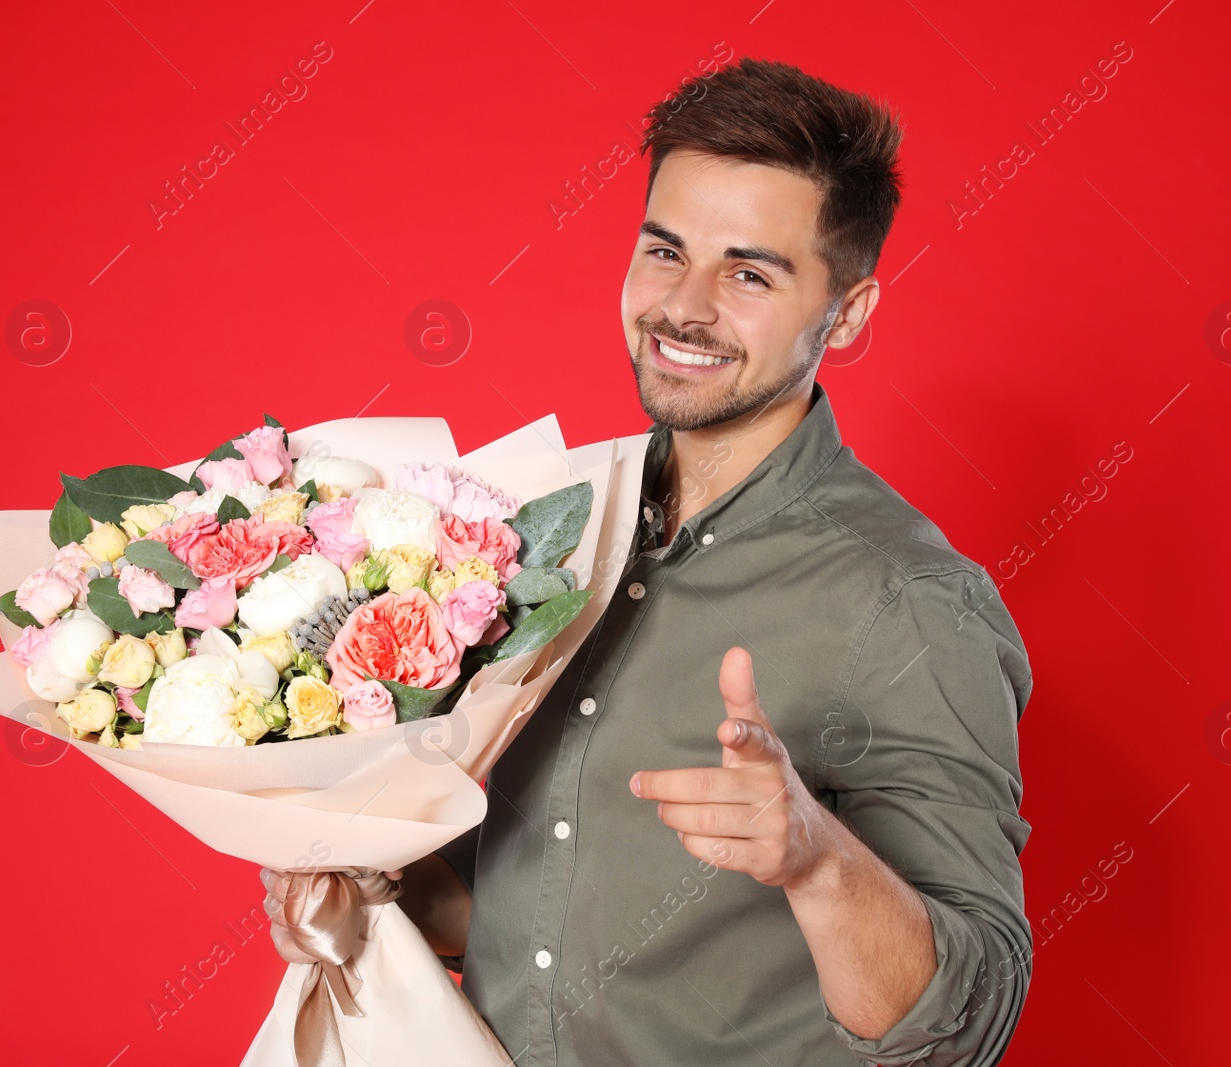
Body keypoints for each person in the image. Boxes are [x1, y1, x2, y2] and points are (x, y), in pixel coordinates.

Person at [265, 56, 1034, 1066]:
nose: (685, 306)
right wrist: (359, 885)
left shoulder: (912, 600)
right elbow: (518, 918)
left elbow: (970, 1017)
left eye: (750, 273)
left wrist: (813, 859)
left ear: (845, 313)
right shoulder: (538, 532)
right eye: (665, 251)